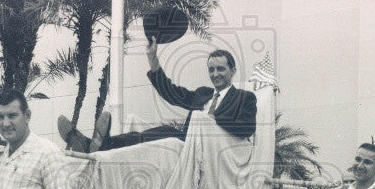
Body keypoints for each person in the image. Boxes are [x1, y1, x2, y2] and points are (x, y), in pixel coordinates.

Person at [58, 38, 257, 152]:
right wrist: (152, 58)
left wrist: (210, 120)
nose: (215, 74)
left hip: (209, 150)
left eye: (220, 69)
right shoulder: (203, 94)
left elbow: (247, 128)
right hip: (185, 142)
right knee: (144, 136)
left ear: (233, 71)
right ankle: (90, 144)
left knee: (167, 133)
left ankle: (100, 145)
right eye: (211, 70)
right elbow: (171, 92)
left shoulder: (244, 97)